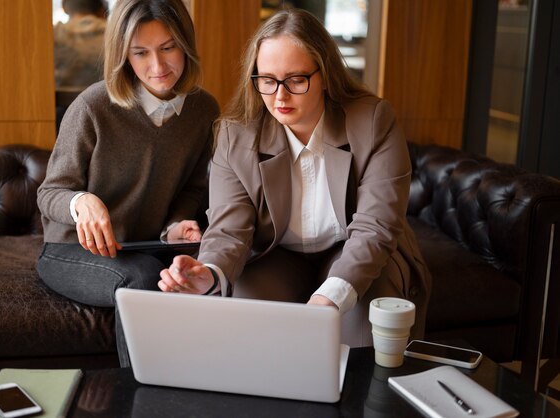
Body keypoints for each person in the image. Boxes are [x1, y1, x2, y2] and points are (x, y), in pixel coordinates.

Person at [158, 8, 431, 345]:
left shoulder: (372, 120)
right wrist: (209, 273)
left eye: (296, 80)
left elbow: (375, 228)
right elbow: (230, 230)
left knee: (358, 336)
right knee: (250, 331)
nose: (279, 96)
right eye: (267, 80)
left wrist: (329, 298)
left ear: (326, 74)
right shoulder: (235, 135)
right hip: (278, 254)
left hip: (359, 250)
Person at [37, 0, 219, 366]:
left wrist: (176, 226)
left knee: (206, 276)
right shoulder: (93, 106)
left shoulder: (204, 111)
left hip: (145, 244)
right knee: (144, 278)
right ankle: (139, 399)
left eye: (168, 48)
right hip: (71, 252)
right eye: (141, 53)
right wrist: (82, 202)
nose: (158, 66)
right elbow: (49, 192)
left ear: (185, 43)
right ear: (124, 55)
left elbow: (192, 189)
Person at [54, 0, 107, 88]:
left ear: (64, 7)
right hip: (106, 100)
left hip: (58, 101)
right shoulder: (115, 34)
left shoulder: (53, 35)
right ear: (101, 9)